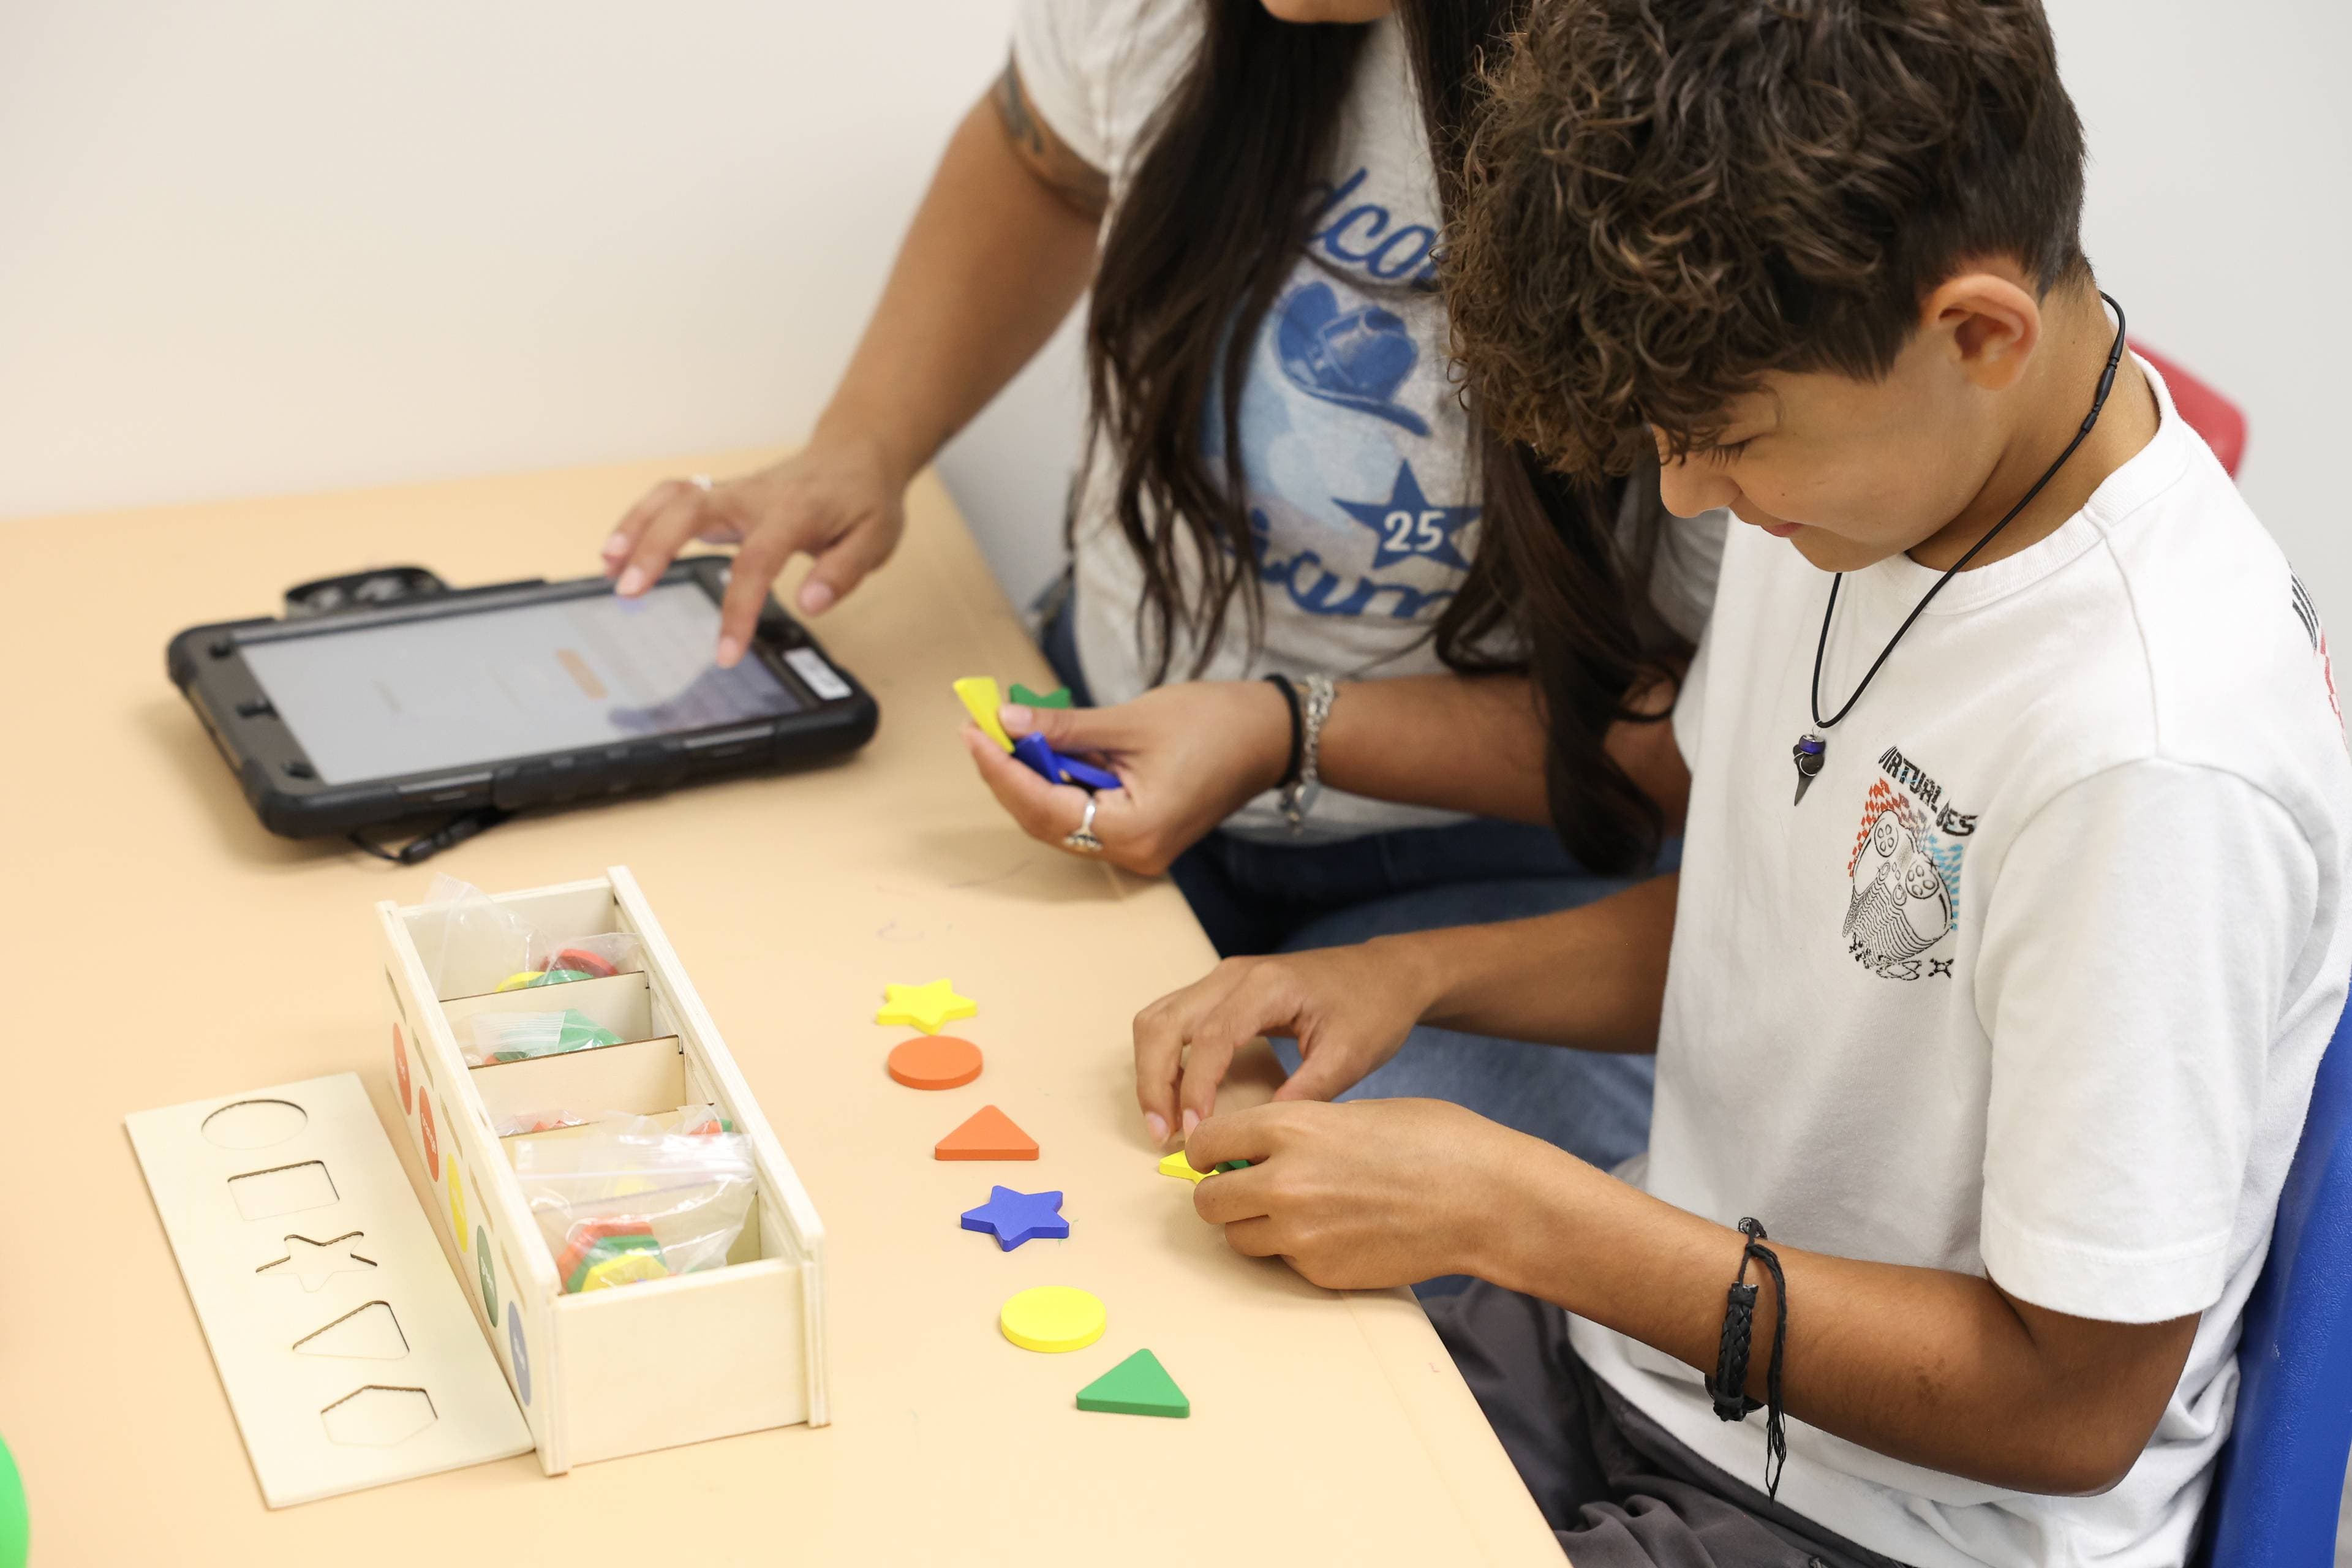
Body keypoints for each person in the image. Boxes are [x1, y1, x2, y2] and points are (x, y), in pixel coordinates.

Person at [1136, 2, 2352, 1563]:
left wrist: (1522, 1210)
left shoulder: (2157, 755)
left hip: (1900, 1519)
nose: (1687, 489)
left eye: (1727, 438)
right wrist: (1406, 974)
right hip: (1644, 1365)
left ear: (1978, 334)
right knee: (1186, 1435)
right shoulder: (1869, 478)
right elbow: (1769, 930)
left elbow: (2071, 1403)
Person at [594, 0, 1722, 1169]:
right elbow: (1046, 159)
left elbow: (1708, 750)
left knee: (1239, 1205)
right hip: (1114, 745)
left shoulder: (1697, 94)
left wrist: (1282, 731)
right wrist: (866, 441)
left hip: (1517, 872)